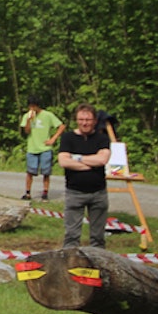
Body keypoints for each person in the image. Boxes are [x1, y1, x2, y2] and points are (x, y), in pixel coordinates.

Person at [58, 102, 112, 248]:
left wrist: (76, 158)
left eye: (88, 120)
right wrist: (91, 163)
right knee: (71, 236)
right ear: (76, 120)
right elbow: (63, 161)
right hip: (74, 193)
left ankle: (98, 260)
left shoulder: (102, 139)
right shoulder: (68, 138)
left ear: (94, 121)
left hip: (98, 193)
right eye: (81, 119)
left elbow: (102, 160)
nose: (84, 123)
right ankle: (70, 260)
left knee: (98, 237)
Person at [19, 95, 64, 201]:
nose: (32, 108)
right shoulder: (26, 116)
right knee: (30, 171)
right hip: (32, 148)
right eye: (30, 106)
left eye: (33, 106)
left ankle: (45, 193)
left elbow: (61, 126)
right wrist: (29, 120)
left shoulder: (48, 115)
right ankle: (28, 192)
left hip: (45, 148)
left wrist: (53, 139)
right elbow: (26, 131)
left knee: (46, 172)